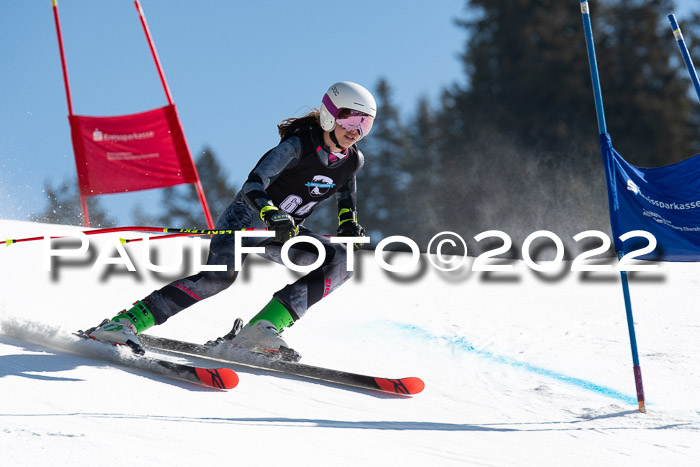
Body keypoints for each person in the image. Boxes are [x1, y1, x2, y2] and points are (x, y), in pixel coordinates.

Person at [84, 81, 376, 361]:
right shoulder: (297, 147)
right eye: (350, 121)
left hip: (282, 234)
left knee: (342, 261)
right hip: (245, 220)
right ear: (329, 115)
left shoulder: (352, 160)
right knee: (218, 278)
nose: (356, 131)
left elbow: (346, 197)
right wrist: (270, 212)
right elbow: (253, 185)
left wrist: (348, 223)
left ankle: (260, 331)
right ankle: (122, 325)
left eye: (365, 124)